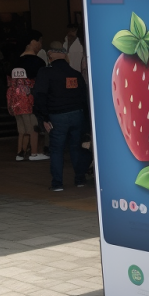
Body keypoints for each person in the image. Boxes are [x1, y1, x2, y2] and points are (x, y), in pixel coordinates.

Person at [33, 42, 90, 191]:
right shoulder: (75, 74)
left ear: (50, 55)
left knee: (57, 150)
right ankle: (80, 179)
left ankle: (57, 183)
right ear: (65, 55)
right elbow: (84, 98)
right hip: (77, 115)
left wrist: (43, 117)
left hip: (57, 116)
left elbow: (39, 96)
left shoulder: (45, 72)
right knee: (76, 148)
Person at [7, 34, 47, 161]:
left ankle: (20, 152)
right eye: (39, 41)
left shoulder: (14, 61)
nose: (41, 44)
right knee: (33, 127)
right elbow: (41, 83)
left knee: (21, 129)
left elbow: (9, 82)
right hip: (30, 100)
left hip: (15, 101)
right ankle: (34, 153)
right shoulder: (38, 62)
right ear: (32, 42)